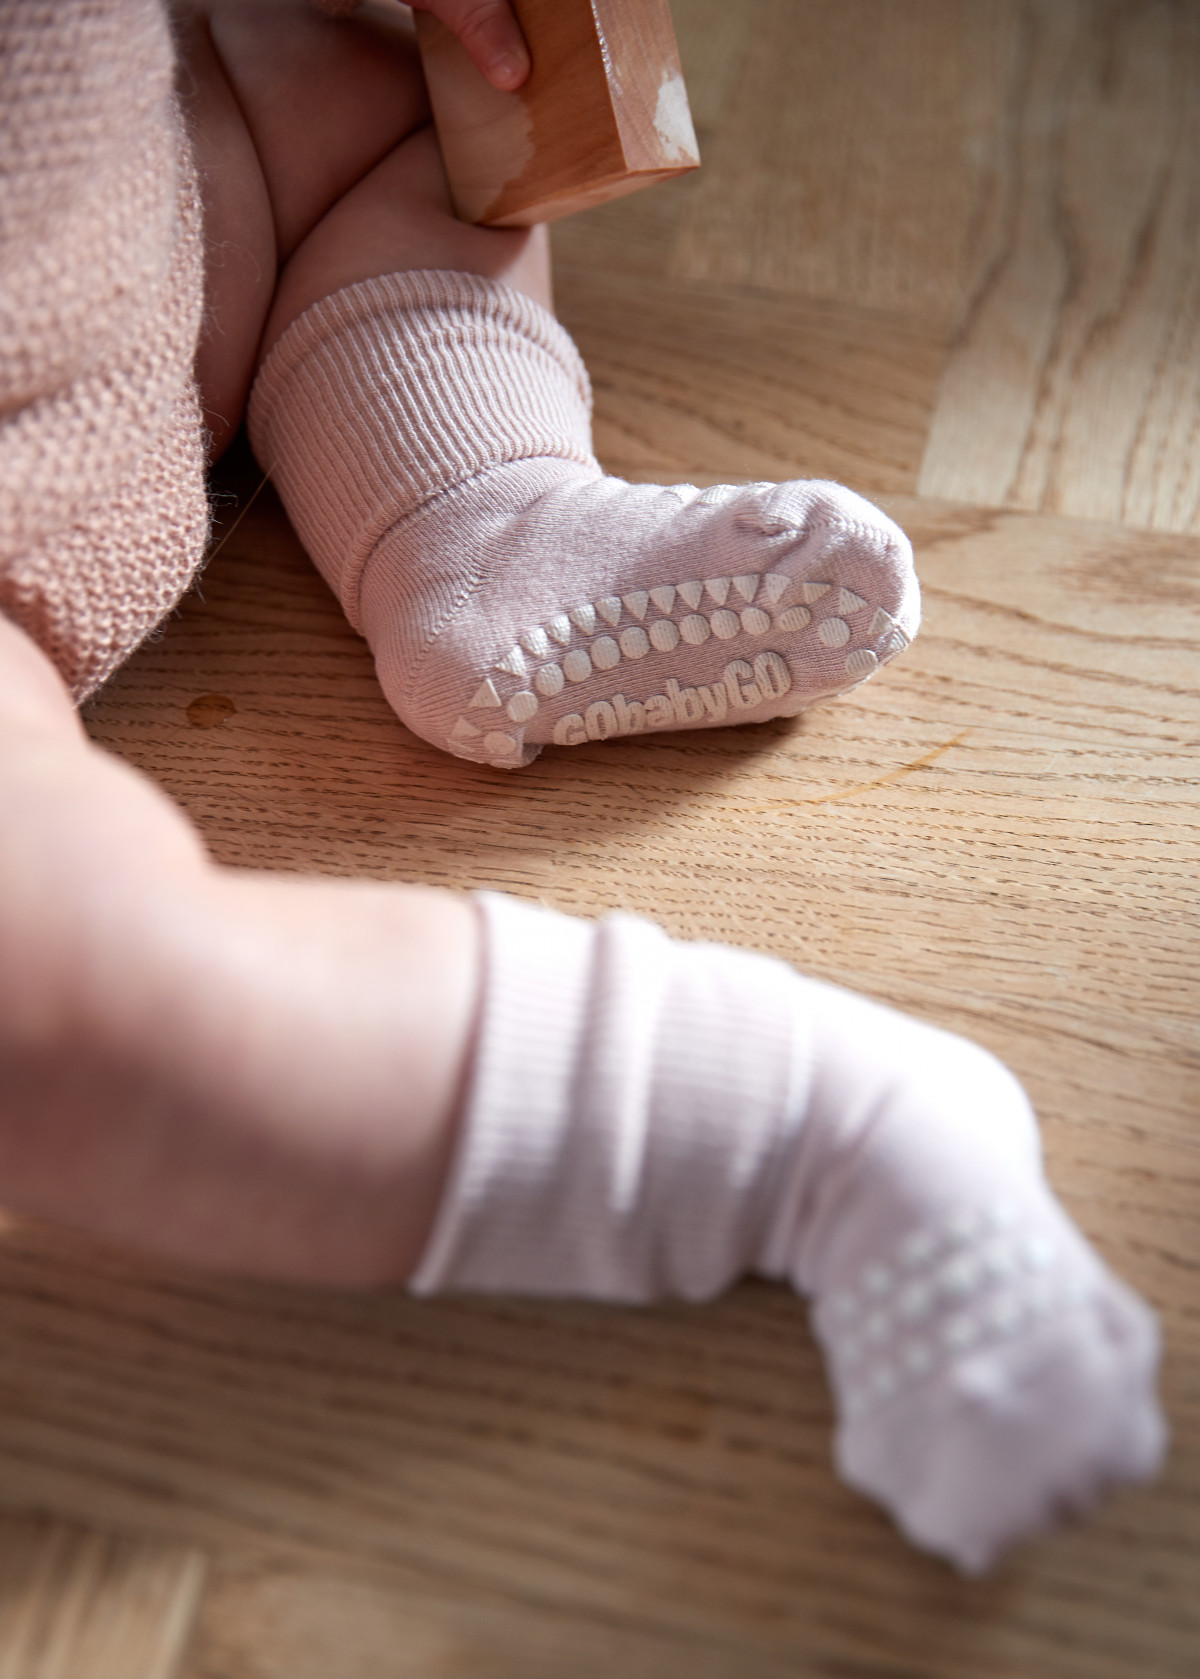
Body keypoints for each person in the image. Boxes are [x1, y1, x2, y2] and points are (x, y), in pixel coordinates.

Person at [0, 0, 1164, 1574]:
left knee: (416, 106)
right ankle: (807, 1127)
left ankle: (478, 516)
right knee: (53, 989)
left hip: (149, 136)